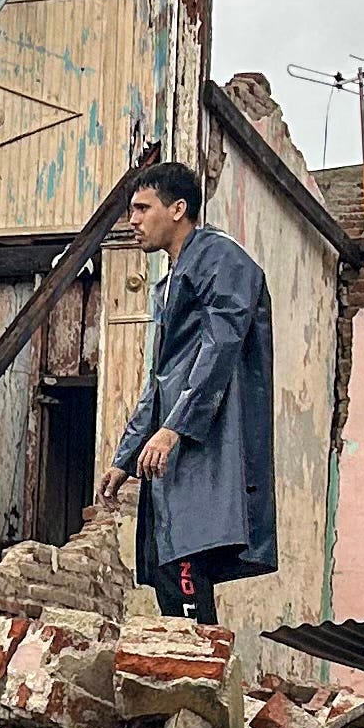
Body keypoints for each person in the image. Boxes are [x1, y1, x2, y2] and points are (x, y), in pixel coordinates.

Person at [95, 162, 276, 624]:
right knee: (166, 573)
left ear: (178, 209)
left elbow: (222, 348)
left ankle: (201, 684)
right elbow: (160, 376)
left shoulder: (220, 260)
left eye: (142, 208)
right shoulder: (173, 278)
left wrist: (174, 428)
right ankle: (182, 683)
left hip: (206, 447)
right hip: (172, 454)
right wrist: (125, 455)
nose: (132, 220)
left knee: (187, 566)